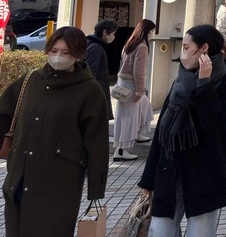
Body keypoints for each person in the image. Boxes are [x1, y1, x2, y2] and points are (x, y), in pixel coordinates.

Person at [0, 26, 109, 237]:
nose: (58, 56)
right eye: (54, 50)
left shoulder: (89, 89)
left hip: (59, 181)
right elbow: (3, 114)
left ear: (78, 54)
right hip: (19, 176)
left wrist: (96, 187)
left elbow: (97, 141)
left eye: (66, 52)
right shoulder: (30, 80)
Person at [139, 24, 226, 237]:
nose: (182, 53)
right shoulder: (179, 82)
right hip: (169, 169)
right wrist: (148, 179)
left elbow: (215, 123)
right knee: (160, 231)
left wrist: (204, 83)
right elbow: (161, 134)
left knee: (200, 233)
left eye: (186, 47)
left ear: (203, 48)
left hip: (205, 174)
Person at [113, 18, 156, 161]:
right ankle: (121, 150)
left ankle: (137, 134)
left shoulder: (130, 43)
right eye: (152, 31)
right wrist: (139, 90)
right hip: (131, 85)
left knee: (144, 106)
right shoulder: (142, 46)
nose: (153, 34)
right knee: (128, 117)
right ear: (148, 31)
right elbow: (139, 71)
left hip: (122, 83)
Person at [85, 18, 117, 121]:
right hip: (97, 91)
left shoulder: (91, 43)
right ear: (104, 33)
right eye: (112, 33)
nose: (113, 37)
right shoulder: (96, 47)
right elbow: (91, 71)